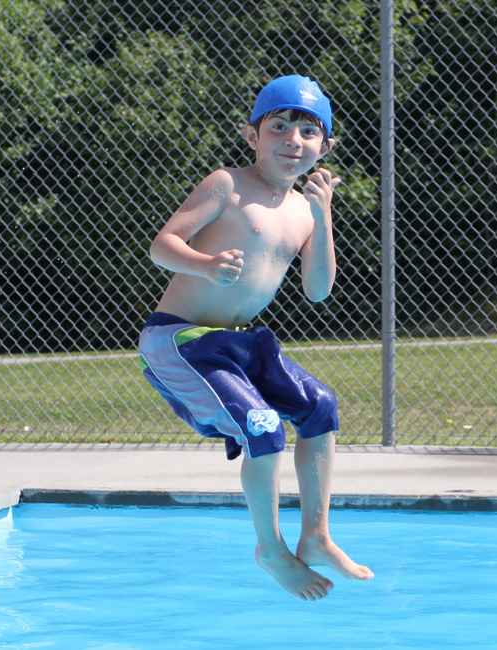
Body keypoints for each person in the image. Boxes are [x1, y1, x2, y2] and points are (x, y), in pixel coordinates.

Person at [138, 75, 373, 600]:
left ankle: (316, 537)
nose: (293, 140)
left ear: (325, 147)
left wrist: (323, 216)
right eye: (279, 127)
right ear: (252, 136)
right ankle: (270, 549)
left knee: (320, 407)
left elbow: (318, 290)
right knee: (263, 426)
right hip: (179, 341)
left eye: (308, 131)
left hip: (238, 345)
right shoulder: (227, 184)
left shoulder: (304, 210)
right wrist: (203, 264)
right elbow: (162, 245)